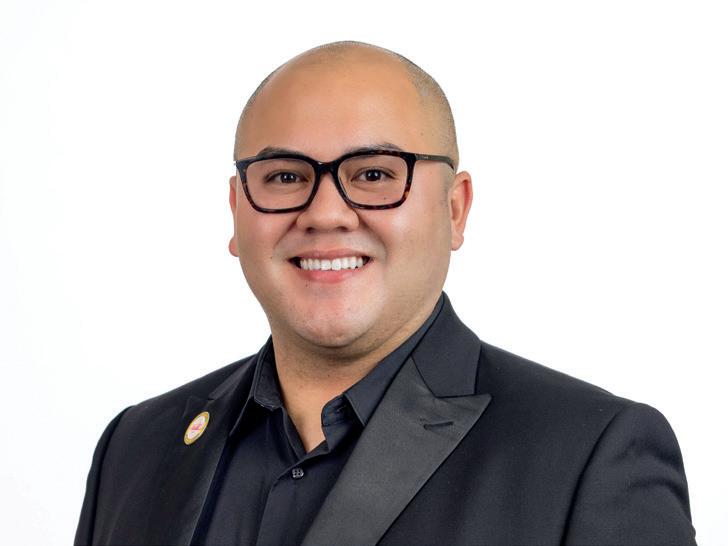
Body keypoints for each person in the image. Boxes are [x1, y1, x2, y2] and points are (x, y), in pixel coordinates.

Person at [75, 41, 696, 546]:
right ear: (237, 210)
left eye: (373, 174)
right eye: (285, 176)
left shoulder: (590, 454)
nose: (325, 214)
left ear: (455, 209)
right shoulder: (135, 447)